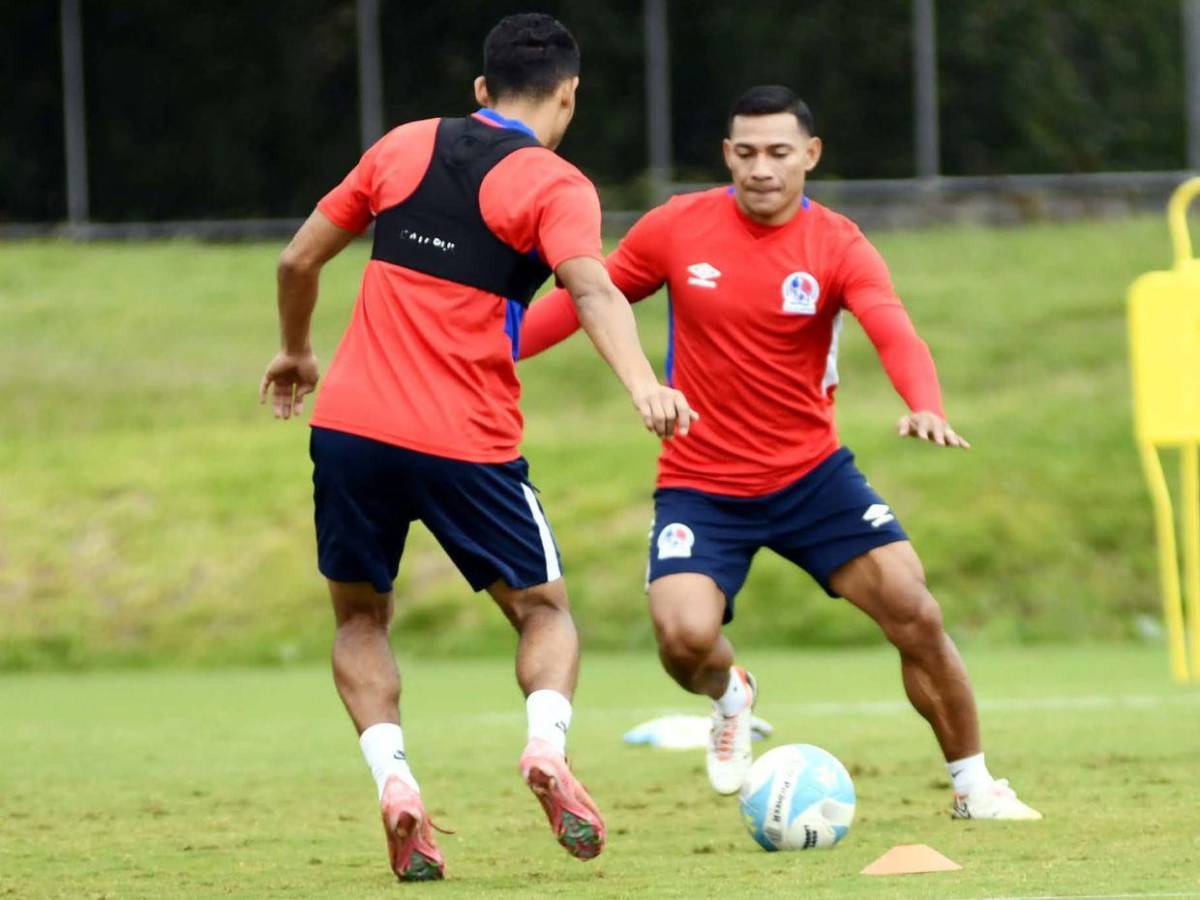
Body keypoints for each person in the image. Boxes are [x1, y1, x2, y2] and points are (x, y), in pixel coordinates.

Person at [519, 85, 1040, 820]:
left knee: (914, 610)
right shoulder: (678, 227)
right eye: (746, 152)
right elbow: (585, 296)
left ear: (810, 156)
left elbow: (892, 326)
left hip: (813, 479)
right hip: (700, 482)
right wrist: (495, 350)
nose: (761, 168)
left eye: (779, 153)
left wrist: (925, 402)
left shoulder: (838, 244)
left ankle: (974, 787)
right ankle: (732, 698)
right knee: (682, 639)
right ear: (728, 154)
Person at [259, 13, 696, 882]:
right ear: (568, 95)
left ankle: (395, 782)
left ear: (481, 92)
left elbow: (296, 261)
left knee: (359, 617)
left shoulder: (403, 146)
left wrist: (297, 350)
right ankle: (544, 747)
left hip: (349, 431)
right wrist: (644, 383)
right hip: (465, 440)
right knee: (543, 611)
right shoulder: (556, 184)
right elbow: (591, 287)